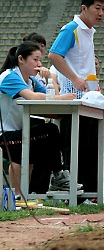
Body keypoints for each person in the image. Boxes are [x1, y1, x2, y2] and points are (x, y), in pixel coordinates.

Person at [49, 0, 104, 193]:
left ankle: (95, 191)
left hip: (89, 102)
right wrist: (74, 78)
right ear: (84, 8)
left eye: (103, 9)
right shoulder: (71, 29)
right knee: (74, 149)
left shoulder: (88, 32)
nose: (101, 13)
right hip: (73, 101)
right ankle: (75, 191)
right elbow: (54, 55)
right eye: (97, 8)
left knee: (90, 149)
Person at [0, 42, 75, 195]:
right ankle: (55, 177)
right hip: (5, 135)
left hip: (20, 132)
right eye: (35, 60)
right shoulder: (9, 77)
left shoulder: (31, 81)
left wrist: (49, 80)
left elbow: (52, 97)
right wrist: (62, 98)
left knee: (48, 138)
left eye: (40, 60)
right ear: (21, 59)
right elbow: (33, 97)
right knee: (49, 132)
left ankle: (38, 191)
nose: (39, 64)